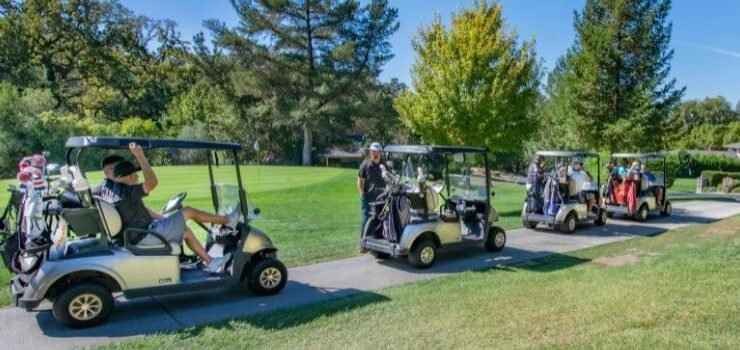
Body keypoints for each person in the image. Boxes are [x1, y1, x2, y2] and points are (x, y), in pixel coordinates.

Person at [111, 142, 240, 273]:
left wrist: (162, 217)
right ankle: (228, 220)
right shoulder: (128, 192)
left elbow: (143, 211)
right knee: (188, 211)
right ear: (132, 176)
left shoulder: (118, 191)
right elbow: (152, 182)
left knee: (186, 231)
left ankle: (211, 262)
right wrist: (140, 155)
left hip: (140, 234)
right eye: (136, 175)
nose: (138, 177)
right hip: (144, 236)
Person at [357, 142, 387, 237]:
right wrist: (362, 194)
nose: (373, 153)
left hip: (381, 198)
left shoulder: (384, 166)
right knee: (366, 219)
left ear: (380, 153)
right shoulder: (365, 165)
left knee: (379, 220)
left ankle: (376, 242)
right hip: (368, 198)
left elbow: (389, 179)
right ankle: (363, 243)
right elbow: (360, 180)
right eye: (371, 151)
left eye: (375, 151)